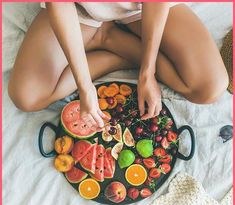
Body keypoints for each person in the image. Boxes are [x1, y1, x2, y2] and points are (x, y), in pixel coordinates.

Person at [8, 2, 228, 130]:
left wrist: (147, 73)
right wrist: (85, 86)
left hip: (141, 8)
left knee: (209, 88)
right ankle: (108, 40)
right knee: (26, 96)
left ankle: (112, 40)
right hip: (79, 11)